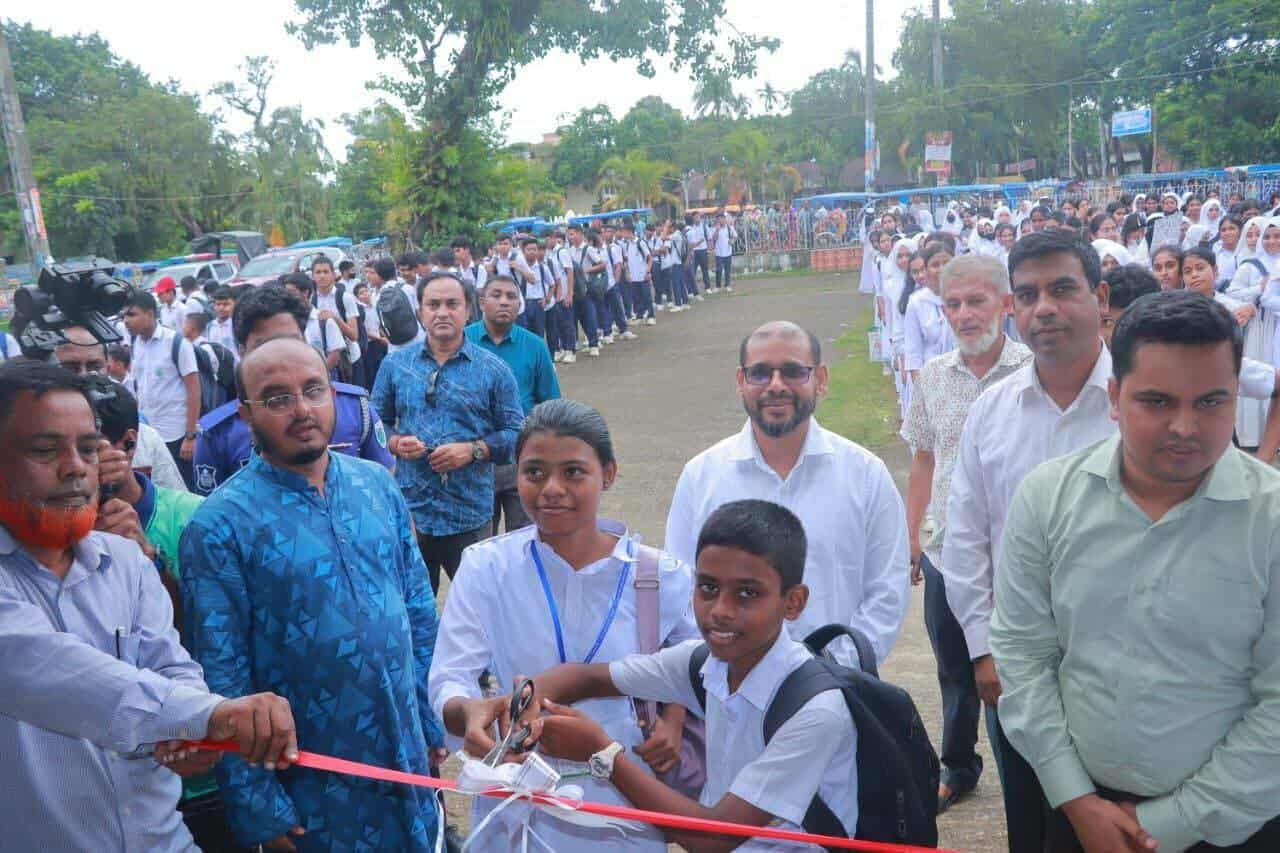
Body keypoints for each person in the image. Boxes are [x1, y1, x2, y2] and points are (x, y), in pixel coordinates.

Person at [992, 291, 1280, 853]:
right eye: (1157, 401)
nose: (1185, 427)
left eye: (1211, 402)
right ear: (1114, 398)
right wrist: (1076, 799)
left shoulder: (1270, 519)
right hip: (1081, 813)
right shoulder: (1048, 498)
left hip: (1235, 824)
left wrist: (1172, 823)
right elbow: (1023, 655)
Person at [0, 360, 298, 852]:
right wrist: (206, 716)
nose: (75, 467)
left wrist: (191, 739)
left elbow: (172, 668)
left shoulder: (126, 562)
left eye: (88, 448)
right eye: (44, 450)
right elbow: (61, 675)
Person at [180, 337, 445, 851]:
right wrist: (259, 806)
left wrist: (431, 724)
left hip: (409, 763)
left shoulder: (377, 486)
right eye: (278, 398)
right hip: (312, 790)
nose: (302, 409)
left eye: (313, 390)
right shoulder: (218, 526)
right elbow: (222, 676)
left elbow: (418, 613)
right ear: (245, 413)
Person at [499, 499, 859, 852]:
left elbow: (713, 839)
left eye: (747, 593)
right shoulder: (704, 662)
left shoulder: (816, 713)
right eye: (708, 588)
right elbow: (587, 678)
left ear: (793, 602)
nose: (720, 610)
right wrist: (522, 700)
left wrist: (603, 754)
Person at [429, 399, 698, 852]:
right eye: (534, 472)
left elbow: (694, 670)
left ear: (608, 474)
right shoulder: (486, 568)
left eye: (573, 472)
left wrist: (673, 720)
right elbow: (450, 675)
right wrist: (466, 711)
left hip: (621, 807)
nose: (552, 489)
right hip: (514, 804)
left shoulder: (660, 577)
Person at [665, 321, 909, 668]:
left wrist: (829, 673)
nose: (776, 385)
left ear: (820, 379)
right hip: (727, 687)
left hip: (841, 685)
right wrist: (726, 670)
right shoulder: (702, 477)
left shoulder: (866, 476)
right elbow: (681, 594)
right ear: (741, 381)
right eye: (760, 373)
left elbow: (887, 591)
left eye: (793, 372)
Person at [902, 255, 1031, 815]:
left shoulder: (1033, 371)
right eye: (952, 304)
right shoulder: (934, 375)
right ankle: (957, 765)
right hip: (946, 553)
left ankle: (1033, 771)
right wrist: (913, 534)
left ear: (1006, 304)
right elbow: (924, 458)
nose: (964, 314)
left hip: (1015, 556)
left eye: (976, 301)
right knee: (955, 669)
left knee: (1017, 668)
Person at [373, 272, 524, 593]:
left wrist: (474, 450)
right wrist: (396, 442)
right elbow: (375, 424)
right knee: (415, 607)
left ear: (468, 310)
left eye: (452, 304)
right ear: (420, 312)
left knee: (480, 608)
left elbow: (516, 434)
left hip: (469, 515)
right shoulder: (395, 366)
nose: (442, 312)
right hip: (413, 514)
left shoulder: (494, 370)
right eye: (433, 304)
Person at [192, 284, 393, 496]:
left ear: (305, 341)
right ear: (242, 352)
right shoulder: (219, 434)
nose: (282, 354)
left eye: (290, 341)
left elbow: (385, 484)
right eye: (266, 347)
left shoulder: (355, 408)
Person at [465, 274, 562, 533]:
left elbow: (550, 405)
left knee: (524, 537)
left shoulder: (535, 346)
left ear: (519, 305)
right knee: (480, 541)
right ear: (482, 301)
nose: (504, 302)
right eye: (496, 295)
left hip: (523, 457)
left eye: (511, 297)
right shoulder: (462, 342)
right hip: (474, 459)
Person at [121, 289, 201, 489]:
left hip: (176, 435)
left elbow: (194, 391)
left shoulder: (177, 343)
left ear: (150, 314)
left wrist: (190, 436)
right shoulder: (136, 344)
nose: (126, 321)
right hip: (149, 433)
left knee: (184, 490)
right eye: (124, 315)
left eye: (131, 314)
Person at [903, 242, 958, 378]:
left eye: (946, 263)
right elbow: (913, 350)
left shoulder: (966, 296)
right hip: (931, 374)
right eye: (935, 265)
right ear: (926, 270)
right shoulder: (917, 302)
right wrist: (920, 386)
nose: (941, 269)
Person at [312, 255, 364, 386]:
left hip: (351, 359)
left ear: (333, 275)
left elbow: (354, 335)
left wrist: (334, 318)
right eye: (318, 272)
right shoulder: (312, 300)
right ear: (313, 276)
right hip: (328, 361)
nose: (322, 276)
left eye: (326, 272)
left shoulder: (345, 298)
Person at [280, 272, 346, 375]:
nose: (287, 297)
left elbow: (334, 355)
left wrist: (316, 374)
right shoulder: (288, 321)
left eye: (291, 292)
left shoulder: (324, 320)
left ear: (305, 293)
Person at [685, 211, 711, 298]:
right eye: (695, 217)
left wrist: (709, 249)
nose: (697, 218)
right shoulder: (690, 228)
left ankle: (707, 287)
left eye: (698, 217)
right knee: (692, 271)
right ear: (692, 218)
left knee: (705, 270)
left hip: (703, 250)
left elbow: (709, 238)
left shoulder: (704, 226)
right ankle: (691, 290)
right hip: (694, 251)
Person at [710, 212, 737, 294]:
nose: (720, 220)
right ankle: (718, 286)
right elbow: (713, 239)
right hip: (719, 253)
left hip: (728, 252)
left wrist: (732, 241)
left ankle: (727, 285)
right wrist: (717, 230)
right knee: (719, 270)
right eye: (718, 219)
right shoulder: (714, 229)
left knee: (727, 270)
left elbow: (735, 236)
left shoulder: (730, 228)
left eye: (721, 218)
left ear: (724, 219)